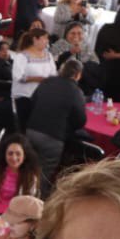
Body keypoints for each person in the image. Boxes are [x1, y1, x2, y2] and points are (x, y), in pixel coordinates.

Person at [26, 59, 87, 190]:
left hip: (31, 130)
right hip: (53, 138)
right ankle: (35, 201)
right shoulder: (76, 92)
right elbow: (80, 120)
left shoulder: (47, 81)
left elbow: (32, 102)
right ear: (78, 75)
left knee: (26, 165)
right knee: (43, 174)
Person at [11, 28, 54, 128]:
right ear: (35, 39)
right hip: (25, 96)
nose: (47, 41)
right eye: (45, 39)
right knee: (26, 124)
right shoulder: (22, 56)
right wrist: (36, 79)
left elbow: (53, 73)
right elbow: (18, 77)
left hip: (43, 95)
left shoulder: (48, 56)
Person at [0, 133, 42, 204]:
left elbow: (28, 204)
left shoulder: (31, 178)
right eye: (10, 153)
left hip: (15, 213)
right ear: (4, 155)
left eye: (18, 154)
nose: (14, 158)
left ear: (25, 156)